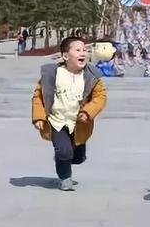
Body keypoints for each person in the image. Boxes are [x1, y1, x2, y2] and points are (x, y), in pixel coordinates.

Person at [32, 37, 107, 191]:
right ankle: (65, 178)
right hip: (57, 120)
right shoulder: (52, 74)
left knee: (77, 157)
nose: (83, 53)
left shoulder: (91, 76)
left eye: (85, 50)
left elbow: (101, 96)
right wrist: (39, 117)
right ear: (66, 56)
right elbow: (38, 96)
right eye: (78, 50)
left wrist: (88, 111)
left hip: (79, 122)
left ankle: (67, 156)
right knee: (64, 151)